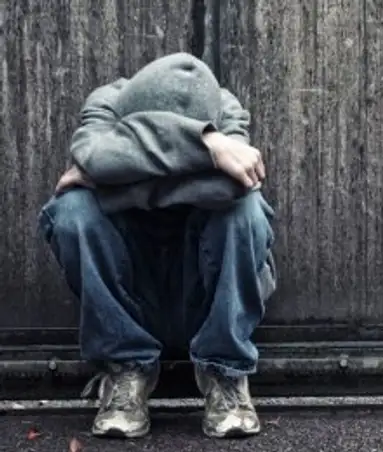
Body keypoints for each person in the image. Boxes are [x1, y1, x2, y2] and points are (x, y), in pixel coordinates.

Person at [37, 52, 277, 439]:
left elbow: (231, 187)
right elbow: (97, 157)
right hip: (131, 293)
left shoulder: (223, 105)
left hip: (204, 289)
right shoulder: (109, 101)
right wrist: (207, 145)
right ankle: (126, 371)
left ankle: (224, 373)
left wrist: (121, 179)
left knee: (245, 209)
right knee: (72, 209)